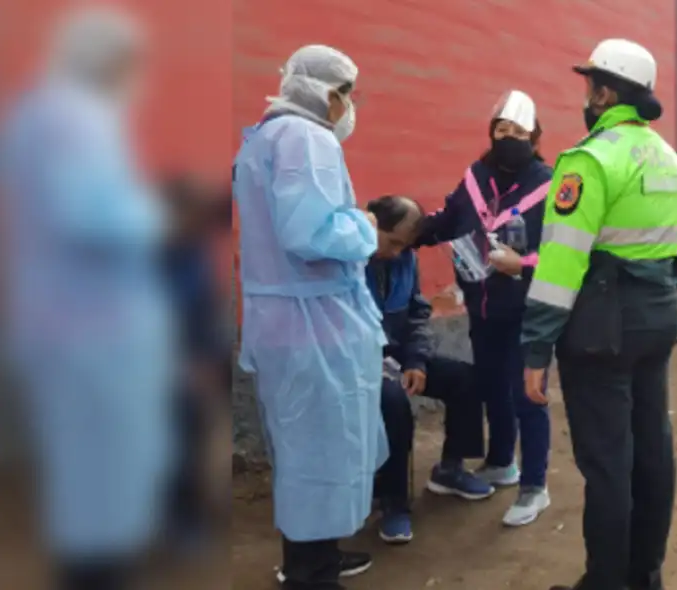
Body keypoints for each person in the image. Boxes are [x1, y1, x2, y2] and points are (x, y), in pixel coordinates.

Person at [0, 7, 176, 590]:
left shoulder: (31, 116)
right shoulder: (78, 119)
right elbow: (93, 217)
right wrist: (158, 219)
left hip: (58, 316)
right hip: (95, 326)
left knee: (81, 465)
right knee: (104, 470)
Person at [520, 39, 677, 590]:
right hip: (656, 320)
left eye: (589, 85)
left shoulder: (588, 160)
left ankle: (605, 581)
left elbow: (560, 262)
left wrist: (535, 347)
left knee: (608, 464)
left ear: (603, 92)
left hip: (600, 331)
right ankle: (645, 575)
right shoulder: (669, 159)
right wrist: (657, 307)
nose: (585, 96)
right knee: (652, 451)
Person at [232, 45, 387, 590]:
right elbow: (311, 233)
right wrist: (365, 227)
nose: (350, 106)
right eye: (347, 94)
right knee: (320, 452)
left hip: (288, 320)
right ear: (329, 94)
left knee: (307, 453)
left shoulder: (263, 140)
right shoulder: (306, 139)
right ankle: (311, 575)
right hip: (312, 326)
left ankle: (313, 557)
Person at [416, 90, 554, 527]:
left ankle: (535, 486)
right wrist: (403, 230)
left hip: (528, 309)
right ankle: (501, 463)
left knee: (527, 395)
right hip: (483, 307)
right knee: (492, 385)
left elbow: (564, 254)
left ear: (535, 137)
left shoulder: (552, 183)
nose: (509, 138)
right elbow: (449, 218)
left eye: (519, 132)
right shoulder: (475, 177)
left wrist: (524, 265)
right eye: (502, 130)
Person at [365, 195, 492, 544]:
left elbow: (417, 313)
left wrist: (416, 360)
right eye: (393, 242)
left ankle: (451, 469)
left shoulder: (404, 258)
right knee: (393, 402)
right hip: (359, 361)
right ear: (371, 224)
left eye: (405, 245)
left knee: (465, 379)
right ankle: (393, 504)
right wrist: (380, 364)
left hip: (398, 355)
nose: (397, 252)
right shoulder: (348, 261)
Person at [159, 175, 231, 553]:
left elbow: (203, 313)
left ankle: (186, 515)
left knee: (192, 437)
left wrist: (204, 360)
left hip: (194, 361)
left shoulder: (191, 255)